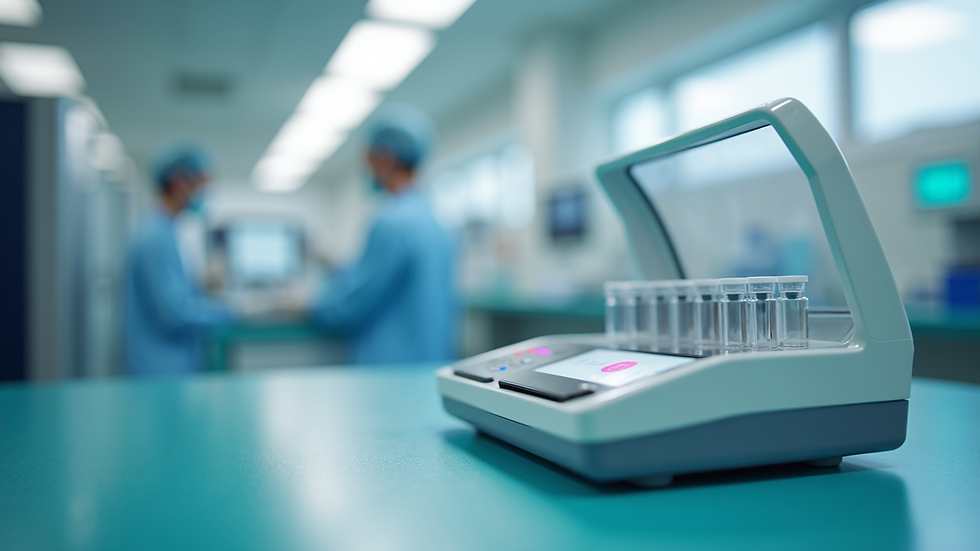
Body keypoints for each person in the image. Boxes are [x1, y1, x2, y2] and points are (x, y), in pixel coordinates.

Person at [310, 106, 457, 364]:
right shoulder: (438, 223)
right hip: (428, 367)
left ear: (386, 159)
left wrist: (310, 304)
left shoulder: (391, 223)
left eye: (368, 160)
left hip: (387, 372)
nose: (366, 170)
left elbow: (352, 304)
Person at [123, 145, 233, 376]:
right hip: (161, 371)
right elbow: (175, 315)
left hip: (169, 368)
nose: (206, 191)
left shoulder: (165, 230)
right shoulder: (156, 237)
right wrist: (233, 310)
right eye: (202, 182)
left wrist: (201, 283)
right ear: (179, 182)